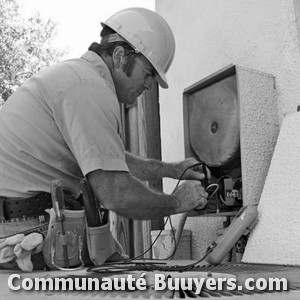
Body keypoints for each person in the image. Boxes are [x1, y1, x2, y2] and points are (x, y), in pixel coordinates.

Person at [0, 8, 208, 269]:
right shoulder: (88, 88)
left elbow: (114, 159)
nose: (149, 85)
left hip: (19, 224)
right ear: (120, 56)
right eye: (148, 73)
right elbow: (117, 194)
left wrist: (173, 170)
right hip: (27, 230)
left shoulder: (78, 79)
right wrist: (179, 202)